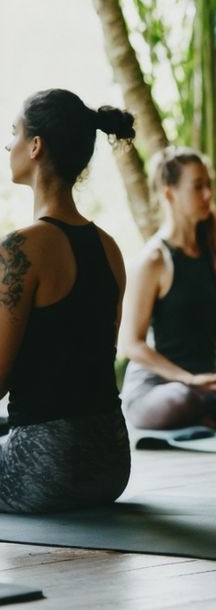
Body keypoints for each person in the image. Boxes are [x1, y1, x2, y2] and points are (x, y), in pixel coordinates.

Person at [0, 89, 133, 512]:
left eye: (14, 133)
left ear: (35, 146)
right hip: (112, 464)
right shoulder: (110, 249)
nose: (8, 144)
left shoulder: (19, 249)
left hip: (47, 468)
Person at [119, 147, 216, 429]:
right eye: (198, 186)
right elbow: (131, 345)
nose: (208, 194)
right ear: (169, 193)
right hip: (157, 391)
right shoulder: (154, 259)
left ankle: (205, 409)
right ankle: (203, 410)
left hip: (206, 386)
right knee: (181, 397)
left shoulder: (209, 256)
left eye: (209, 185)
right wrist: (188, 379)